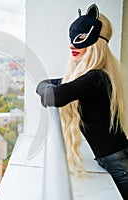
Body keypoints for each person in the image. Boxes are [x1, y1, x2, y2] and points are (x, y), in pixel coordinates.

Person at [36, 4, 128, 199]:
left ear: (97, 43)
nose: (72, 45)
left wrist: (51, 89)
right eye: (71, 39)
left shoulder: (96, 78)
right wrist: (52, 88)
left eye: (80, 39)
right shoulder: (94, 77)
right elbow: (45, 85)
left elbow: (54, 96)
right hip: (116, 162)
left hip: (121, 168)